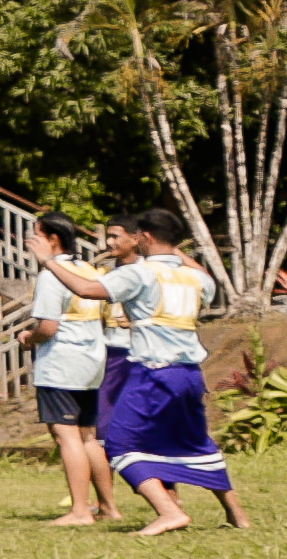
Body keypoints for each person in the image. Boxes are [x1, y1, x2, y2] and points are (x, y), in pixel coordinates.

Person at [101, 213, 252, 535]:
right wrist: (175, 250)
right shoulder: (195, 278)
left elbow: (87, 289)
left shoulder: (140, 273)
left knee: (120, 443)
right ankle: (238, 515)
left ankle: (169, 512)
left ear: (144, 236)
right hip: (189, 375)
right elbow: (205, 277)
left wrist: (50, 263)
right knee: (197, 443)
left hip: (153, 374)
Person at [16, 215, 117, 524]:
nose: (30, 241)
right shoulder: (88, 270)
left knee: (66, 436)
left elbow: (47, 327)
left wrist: (28, 338)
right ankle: (109, 507)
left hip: (60, 363)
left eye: (36, 235)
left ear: (53, 240)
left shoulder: (51, 275)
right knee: (88, 437)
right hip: (91, 361)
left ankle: (79, 511)